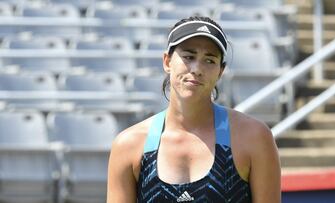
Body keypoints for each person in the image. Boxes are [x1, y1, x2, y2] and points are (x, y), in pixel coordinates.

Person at [107, 16, 281, 203]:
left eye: (209, 60)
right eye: (188, 57)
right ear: (167, 61)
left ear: (220, 71)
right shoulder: (128, 145)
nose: (197, 68)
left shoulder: (254, 137)